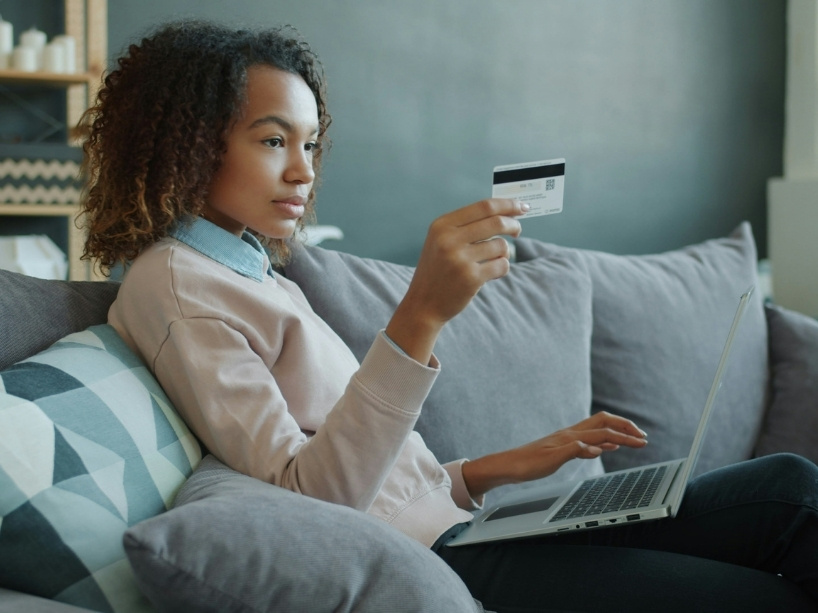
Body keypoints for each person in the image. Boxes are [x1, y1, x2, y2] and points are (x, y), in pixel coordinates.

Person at [79, 20, 817, 611]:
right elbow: (313, 497)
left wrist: (513, 463)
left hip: (473, 528)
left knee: (788, 486)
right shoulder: (176, 287)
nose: (304, 170)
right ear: (188, 144)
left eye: (310, 144)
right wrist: (421, 314)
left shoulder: (248, 269)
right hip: (451, 561)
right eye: (274, 141)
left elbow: (387, 482)